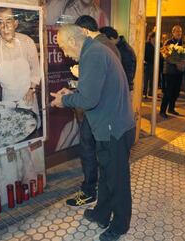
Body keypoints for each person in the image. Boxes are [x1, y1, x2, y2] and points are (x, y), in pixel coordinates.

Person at [52, 24, 135, 241]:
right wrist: (71, 92)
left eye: (62, 47)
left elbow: (89, 100)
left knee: (117, 180)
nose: (63, 52)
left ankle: (120, 225)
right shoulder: (95, 51)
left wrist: (64, 100)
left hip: (113, 129)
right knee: (107, 174)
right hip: (112, 126)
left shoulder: (93, 55)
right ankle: (101, 214)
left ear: (72, 41)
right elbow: (94, 90)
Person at [65, 15, 121, 208]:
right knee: (96, 152)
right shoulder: (104, 44)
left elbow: (96, 89)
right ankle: (97, 195)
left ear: (83, 32)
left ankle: (90, 192)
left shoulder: (98, 48)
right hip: (104, 111)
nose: (68, 52)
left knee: (89, 149)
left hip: (100, 112)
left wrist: (80, 76)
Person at [99, 26, 137, 94]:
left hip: (122, 89)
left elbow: (128, 75)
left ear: (111, 39)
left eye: (104, 41)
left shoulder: (125, 51)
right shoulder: (118, 48)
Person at [159, 25, 185, 118]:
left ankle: (171, 108)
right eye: (177, 31)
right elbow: (164, 55)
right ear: (173, 32)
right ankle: (162, 111)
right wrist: (176, 63)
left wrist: (183, 62)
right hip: (169, 71)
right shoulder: (168, 42)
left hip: (179, 72)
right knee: (168, 92)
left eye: (180, 31)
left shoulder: (183, 43)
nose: (179, 33)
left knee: (176, 92)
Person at [143, 32, 156, 97]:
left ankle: (151, 92)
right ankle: (144, 92)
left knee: (153, 79)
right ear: (151, 38)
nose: (155, 39)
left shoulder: (157, 44)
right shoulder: (146, 44)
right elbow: (144, 54)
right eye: (154, 37)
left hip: (154, 64)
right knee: (146, 79)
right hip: (148, 64)